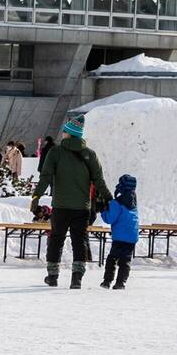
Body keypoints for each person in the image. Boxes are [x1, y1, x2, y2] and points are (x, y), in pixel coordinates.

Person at [30, 116, 110, 289]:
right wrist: (109, 198)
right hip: (82, 208)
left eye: (65, 131)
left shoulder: (55, 152)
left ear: (69, 133)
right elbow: (99, 181)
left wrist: (36, 197)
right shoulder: (90, 154)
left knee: (56, 239)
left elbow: (45, 177)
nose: (63, 134)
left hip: (60, 206)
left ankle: (52, 276)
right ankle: (77, 279)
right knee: (79, 241)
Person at [101, 175, 139, 290]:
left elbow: (109, 219)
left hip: (119, 237)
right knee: (125, 261)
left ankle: (107, 281)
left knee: (112, 258)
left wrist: (103, 210)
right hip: (132, 236)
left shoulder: (117, 202)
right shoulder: (134, 202)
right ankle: (120, 283)